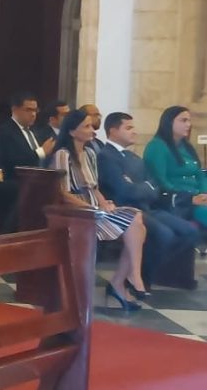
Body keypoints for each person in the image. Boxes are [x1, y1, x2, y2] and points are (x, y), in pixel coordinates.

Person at [48, 109, 147, 311]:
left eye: (92, 125)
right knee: (135, 224)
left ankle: (129, 276)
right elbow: (62, 193)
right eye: (86, 126)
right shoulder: (63, 155)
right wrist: (90, 207)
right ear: (72, 131)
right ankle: (124, 281)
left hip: (94, 208)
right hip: (75, 212)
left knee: (136, 219)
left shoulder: (90, 153)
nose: (92, 130)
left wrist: (104, 204)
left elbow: (94, 188)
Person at [98, 112, 199, 293]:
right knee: (164, 234)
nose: (134, 132)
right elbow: (123, 191)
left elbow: (155, 187)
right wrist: (144, 187)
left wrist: (140, 186)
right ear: (113, 131)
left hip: (148, 208)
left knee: (189, 231)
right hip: (127, 210)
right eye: (128, 128)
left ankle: (149, 273)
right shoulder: (106, 156)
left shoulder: (134, 158)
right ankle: (139, 278)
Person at [144, 106, 207, 228]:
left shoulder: (186, 146)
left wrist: (204, 193)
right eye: (183, 120)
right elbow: (160, 181)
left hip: (198, 197)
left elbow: (200, 174)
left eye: (189, 120)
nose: (188, 124)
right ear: (169, 122)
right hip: (179, 201)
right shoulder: (157, 146)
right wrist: (191, 198)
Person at [0, 92, 55, 180]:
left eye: (35, 110)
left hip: (39, 181)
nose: (33, 114)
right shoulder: (3, 132)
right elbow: (12, 162)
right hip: (17, 183)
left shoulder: (37, 132)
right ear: (15, 109)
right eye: (28, 110)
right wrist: (41, 152)